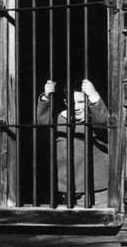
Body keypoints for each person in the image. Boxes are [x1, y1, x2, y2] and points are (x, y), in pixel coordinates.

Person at [34, 78, 110, 207]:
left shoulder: (95, 120)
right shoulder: (60, 119)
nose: (76, 107)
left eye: (81, 102)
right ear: (65, 102)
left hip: (96, 191)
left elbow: (104, 121)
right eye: (71, 102)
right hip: (66, 191)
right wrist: (46, 98)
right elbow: (42, 124)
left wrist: (93, 95)